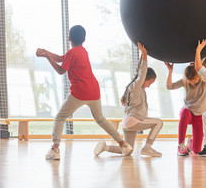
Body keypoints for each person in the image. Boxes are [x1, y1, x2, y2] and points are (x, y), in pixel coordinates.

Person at [36, 25, 133, 160]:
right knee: (100, 119)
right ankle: (123, 144)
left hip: (80, 92)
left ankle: (55, 149)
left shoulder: (72, 53)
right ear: (84, 39)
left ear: (69, 38)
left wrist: (47, 56)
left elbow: (60, 70)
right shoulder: (82, 51)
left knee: (60, 117)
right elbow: (60, 58)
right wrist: (47, 52)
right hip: (94, 90)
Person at [94, 42, 163, 157]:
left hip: (127, 123)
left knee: (128, 150)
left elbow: (139, 71)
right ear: (144, 79)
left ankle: (105, 147)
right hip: (134, 121)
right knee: (159, 123)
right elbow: (142, 72)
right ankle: (147, 148)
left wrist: (142, 55)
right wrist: (145, 54)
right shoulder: (136, 87)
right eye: (149, 82)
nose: (149, 85)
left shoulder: (134, 86)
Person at [165, 62, 206, 156]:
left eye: (194, 80)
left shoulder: (204, 79)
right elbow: (169, 87)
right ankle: (180, 146)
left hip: (199, 116)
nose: (192, 82)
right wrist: (170, 71)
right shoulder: (185, 81)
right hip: (188, 113)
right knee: (185, 112)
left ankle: (191, 143)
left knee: (196, 151)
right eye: (190, 81)